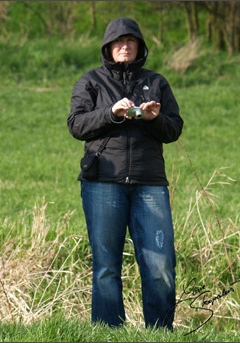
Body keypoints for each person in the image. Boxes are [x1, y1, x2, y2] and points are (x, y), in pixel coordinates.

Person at [67, 17, 183, 329]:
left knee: (160, 265)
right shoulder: (91, 81)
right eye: (118, 41)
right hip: (103, 182)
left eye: (131, 41)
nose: (125, 46)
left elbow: (174, 130)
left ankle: (161, 333)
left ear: (140, 46)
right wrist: (111, 112)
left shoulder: (156, 82)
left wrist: (152, 119)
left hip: (150, 184)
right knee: (106, 267)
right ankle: (108, 333)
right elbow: (76, 125)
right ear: (107, 47)